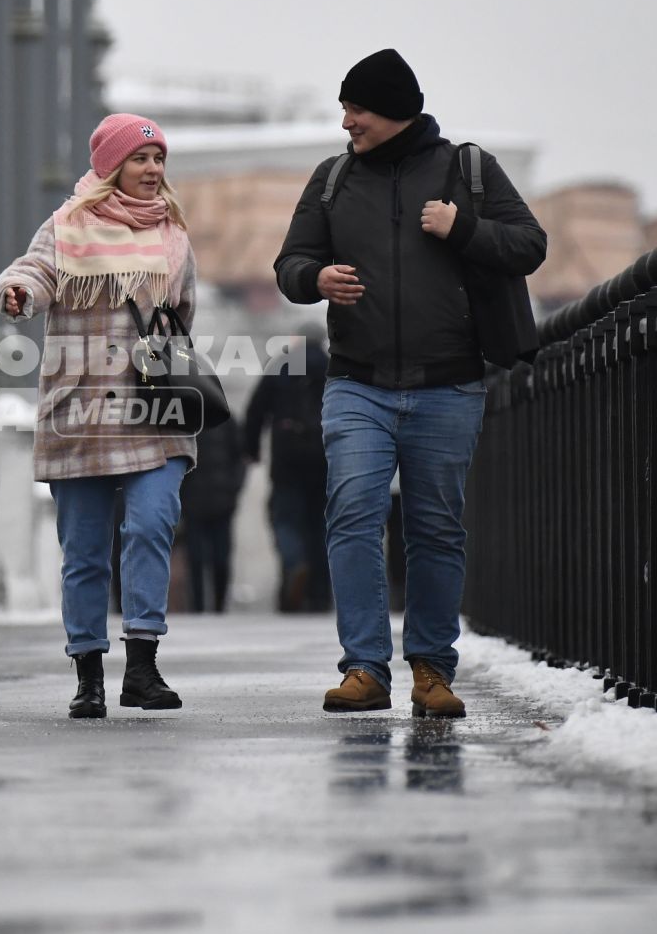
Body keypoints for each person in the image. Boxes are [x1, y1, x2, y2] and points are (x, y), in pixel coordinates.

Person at [272, 49, 546, 719]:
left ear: (393, 110)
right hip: (357, 383)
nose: (346, 122)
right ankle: (365, 668)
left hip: (448, 384)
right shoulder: (333, 179)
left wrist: (465, 228)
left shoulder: (467, 171)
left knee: (435, 528)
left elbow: (529, 245)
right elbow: (290, 263)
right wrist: (316, 281)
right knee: (354, 513)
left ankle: (431, 669)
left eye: (356, 109)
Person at [0, 113, 198, 719]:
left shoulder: (173, 234)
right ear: (112, 167)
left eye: (159, 159)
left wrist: (163, 355)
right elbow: (33, 272)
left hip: (153, 407)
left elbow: (185, 314)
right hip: (78, 410)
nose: (154, 170)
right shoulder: (66, 226)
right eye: (141, 159)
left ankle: (142, 665)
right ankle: (88, 675)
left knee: (150, 527)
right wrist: (18, 292)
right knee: (83, 551)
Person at [237, 329, 331, 613]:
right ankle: (319, 594)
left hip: (287, 460)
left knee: (286, 519)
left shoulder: (281, 367)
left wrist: (251, 450)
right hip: (324, 459)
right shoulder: (332, 366)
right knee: (321, 526)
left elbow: (255, 412)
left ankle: (294, 564)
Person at [177, 418, 248, 613]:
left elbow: (240, 458)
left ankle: (219, 606)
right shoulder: (184, 420)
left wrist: (233, 489)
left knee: (221, 559)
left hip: (222, 505)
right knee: (196, 559)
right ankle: (198, 607)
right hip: (193, 505)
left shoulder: (227, 420)